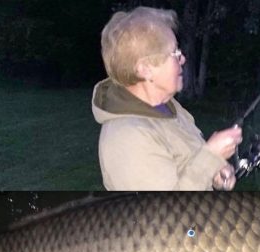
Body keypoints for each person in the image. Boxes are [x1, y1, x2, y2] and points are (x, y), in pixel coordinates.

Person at [92, 6, 242, 190]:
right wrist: (210, 157)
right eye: (174, 54)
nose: (183, 59)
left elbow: (188, 166)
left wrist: (215, 174)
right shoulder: (127, 138)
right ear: (145, 68)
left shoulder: (169, 108)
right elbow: (165, 215)